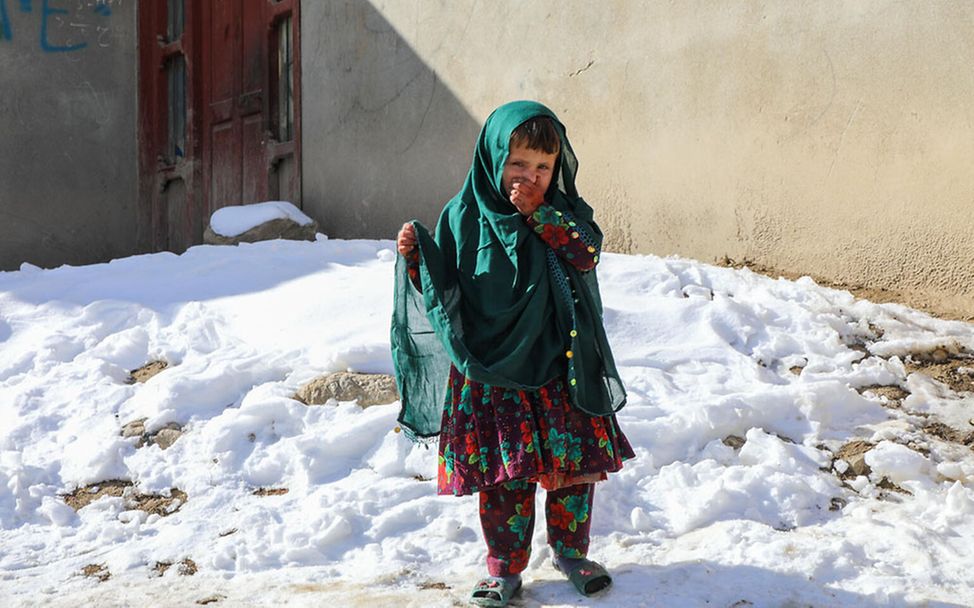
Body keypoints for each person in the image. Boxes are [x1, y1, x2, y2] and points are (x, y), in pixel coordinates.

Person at [391, 100, 634, 607]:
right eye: (518, 164)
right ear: (492, 159)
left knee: (571, 470)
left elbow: (585, 254)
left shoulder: (563, 212)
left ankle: (572, 552)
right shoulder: (461, 217)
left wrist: (539, 214)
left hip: (557, 366)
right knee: (508, 478)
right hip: (494, 372)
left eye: (543, 167)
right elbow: (449, 293)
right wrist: (418, 261)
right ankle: (504, 569)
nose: (531, 175)